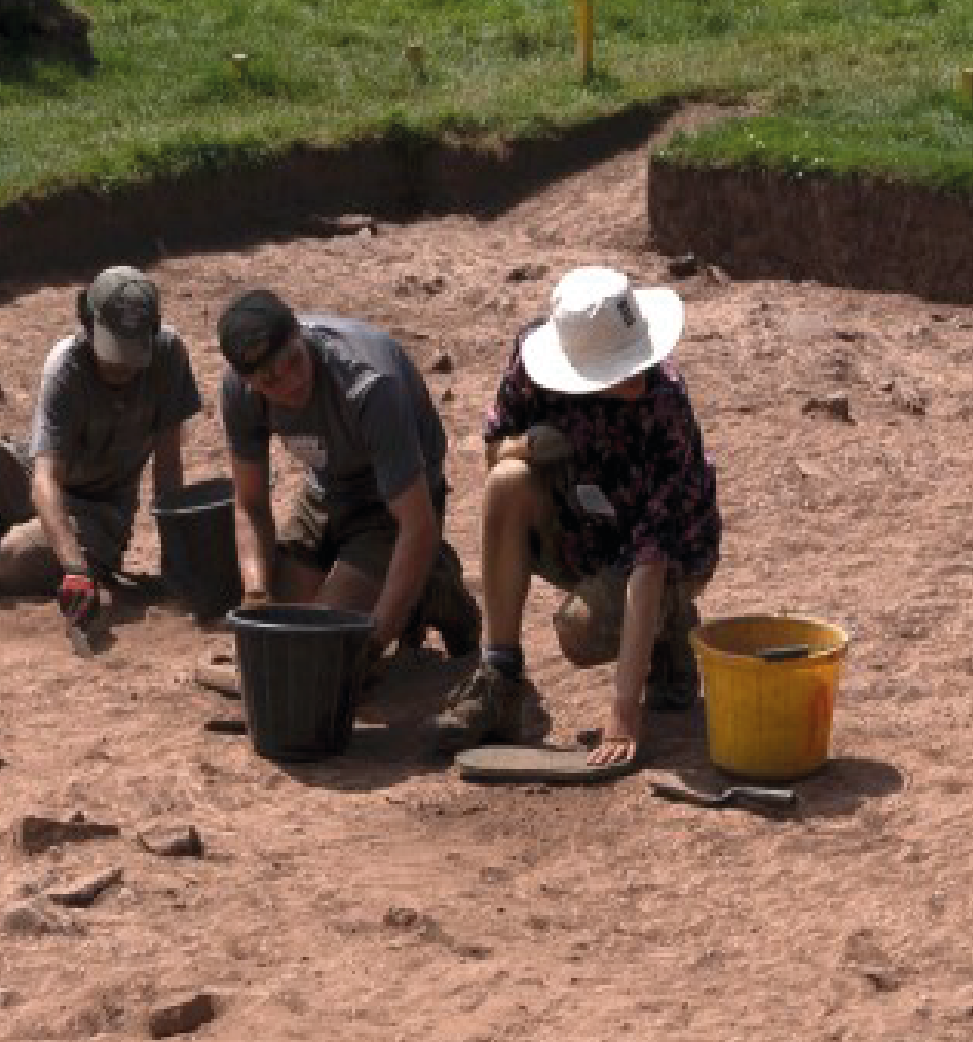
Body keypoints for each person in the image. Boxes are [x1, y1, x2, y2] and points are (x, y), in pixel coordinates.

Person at [441, 265, 716, 761]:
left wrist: (623, 707)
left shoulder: (664, 403)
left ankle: (671, 624)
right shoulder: (531, 364)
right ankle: (500, 676)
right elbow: (491, 451)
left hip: (668, 556)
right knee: (506, 481)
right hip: (581, 529)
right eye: (620, 366)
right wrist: (522, 446)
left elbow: (651, 556)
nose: (637, 373)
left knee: (581, 632)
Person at [0, 264, 206, 618]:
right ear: (87, 325)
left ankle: (26, 552)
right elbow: (45, 477)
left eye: (132, 355)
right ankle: (15, 542)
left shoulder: (169, 354)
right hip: (36, 477)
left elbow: (168, 467)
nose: (122, 368)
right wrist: (76, 569)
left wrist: (177, 564)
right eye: (113, 353)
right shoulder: (64, 367)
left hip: (100, 512)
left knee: (12, 561)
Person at [216, 288, 478, 673]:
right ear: (248, 382)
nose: (290, 383)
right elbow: (250, 503)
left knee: (325, 651)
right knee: (274, 638)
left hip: (395, 502)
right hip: (327, 488)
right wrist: (256, 594)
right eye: (271, 380)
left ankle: (432, 586)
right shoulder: (239, 393)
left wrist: (372, 645)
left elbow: (416, 524)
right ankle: (387, 587)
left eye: (294, 361)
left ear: (300, 336)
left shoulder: (369, 385)